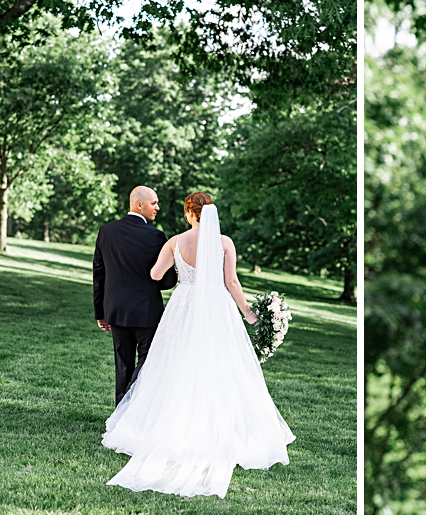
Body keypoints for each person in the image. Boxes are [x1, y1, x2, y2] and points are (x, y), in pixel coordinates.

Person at [102, 192, 294, 497]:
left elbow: (155, 274)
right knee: (221, 365)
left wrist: (181, 272)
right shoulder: (225, 243)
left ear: (189, 213)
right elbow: (231, 282)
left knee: (175, 363)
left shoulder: (175, 242)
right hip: (218, 308)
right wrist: (248, 313)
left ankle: (168, 420)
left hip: (185, 305)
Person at [93, 187, 172, 404]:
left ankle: (122, 410)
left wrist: (100, 312)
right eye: (154, 203)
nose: (157, 207)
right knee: (148, 360)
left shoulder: (105, 232)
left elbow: (99, 276)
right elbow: (164, 281)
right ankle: (133, 403)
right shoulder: (156, 237)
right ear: (140, 205)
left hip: (116, 310)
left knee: (123, 363)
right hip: (147, 312)